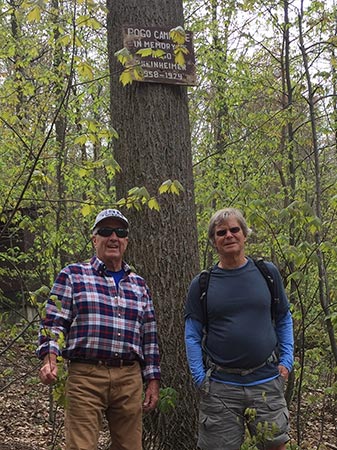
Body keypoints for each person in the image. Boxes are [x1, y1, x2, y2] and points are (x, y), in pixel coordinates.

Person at [37, 208, 161, 450]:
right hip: (86, 375)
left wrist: (153, 380)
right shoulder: (73, 275)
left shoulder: (139, 284)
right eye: (105, 231)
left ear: (126, 240)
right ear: (94, 239)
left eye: (120, 232)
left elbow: (149, 337)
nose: (113, 237)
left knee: (130, 447)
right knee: (80, 446)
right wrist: (50, 359)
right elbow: (53, 322)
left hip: (129, 378)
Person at [185, 207, 293, 450]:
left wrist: (286, 361)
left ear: (245, 234)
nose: (229, 235)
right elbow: (192, 332)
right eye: (221, 232)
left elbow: (284, 317)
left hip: (266, 380)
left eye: (235, 229)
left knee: (276, 446)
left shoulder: (267, 273)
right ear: (214, 241)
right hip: (221, 386)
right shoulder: (203, 283)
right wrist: (200, 378)